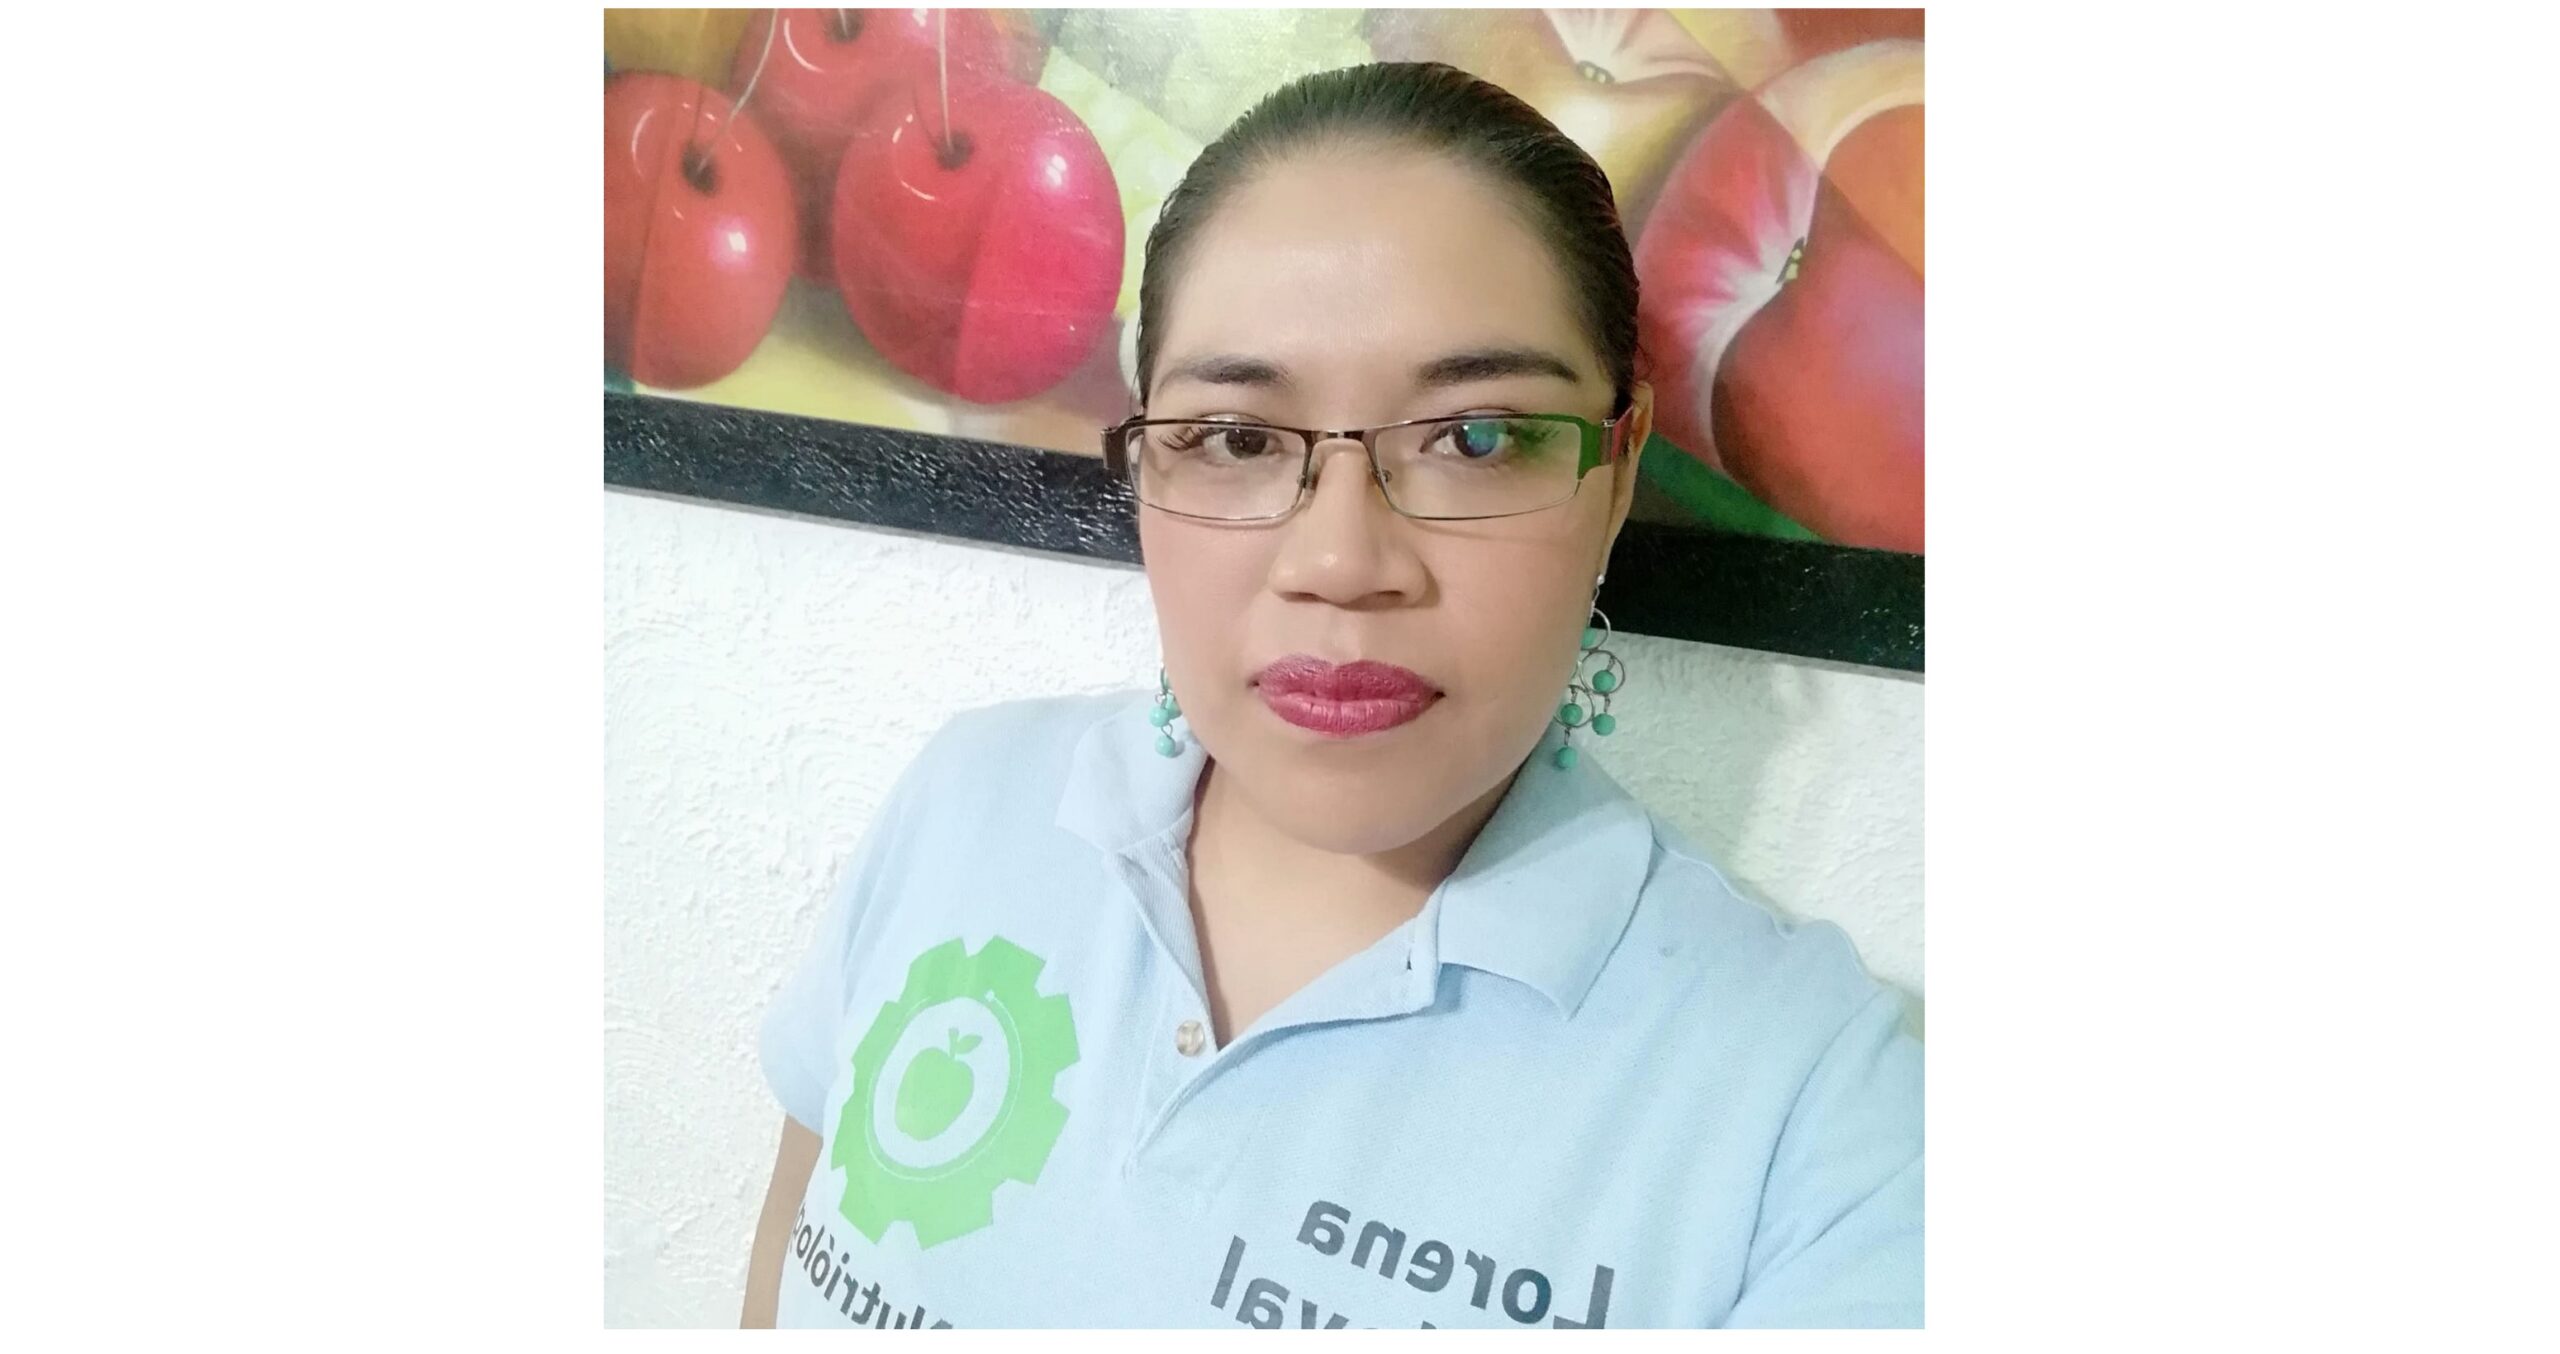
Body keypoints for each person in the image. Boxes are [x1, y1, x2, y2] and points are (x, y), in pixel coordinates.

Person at [741, 61, 1920, 1330]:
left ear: (1616, 470)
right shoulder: (967, 807)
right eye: (1239, 438)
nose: (1341, 562)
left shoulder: (1818, 1125)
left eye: (1474, 437)